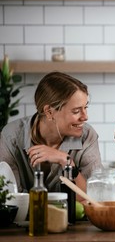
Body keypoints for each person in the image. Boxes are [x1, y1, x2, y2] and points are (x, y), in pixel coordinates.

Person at [0, 72, 103, 200]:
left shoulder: (87, 136)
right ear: (49, 112)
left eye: (85, 107)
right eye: (76, 111)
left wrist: (66, 161)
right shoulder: (11, 136)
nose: (85, 116)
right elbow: (10, 197)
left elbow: (94, 197)